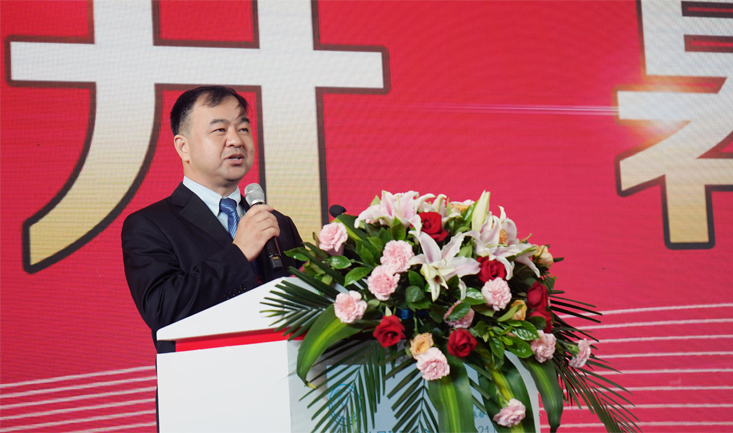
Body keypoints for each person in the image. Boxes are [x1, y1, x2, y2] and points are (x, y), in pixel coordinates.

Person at [122, 86, 303, 354]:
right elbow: (162, 309)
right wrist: (238, 253)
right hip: (202, 375)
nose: (236, 140)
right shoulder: (149, 225)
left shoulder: (276, 222)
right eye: (220, 130)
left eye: (243, 128)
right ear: (183, 147)